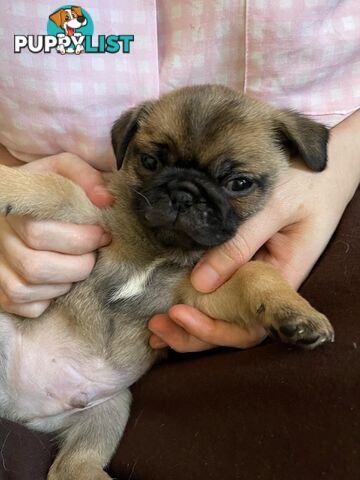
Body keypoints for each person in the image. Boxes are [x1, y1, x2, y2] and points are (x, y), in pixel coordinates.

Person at [0, 1, 359, 353]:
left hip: (105, 394)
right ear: (126, 145)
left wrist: (269, 294)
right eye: (153, 163)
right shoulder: (114, 200)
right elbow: (64, 199)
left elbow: (211, 294)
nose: (183, 199)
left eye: (236, 184)